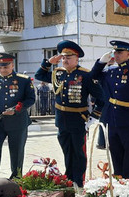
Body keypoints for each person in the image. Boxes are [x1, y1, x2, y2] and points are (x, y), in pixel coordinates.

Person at [35, 40, 104, 186]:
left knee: (78, 153)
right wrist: (48, 62)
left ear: (77, 58)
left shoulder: (85, 75)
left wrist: (94, 116)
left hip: (78, 120)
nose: (65, 60)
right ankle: (69, 179)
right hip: (62, 120)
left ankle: (78, 182)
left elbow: (102, 98)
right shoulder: (58, 73)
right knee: (67, 151)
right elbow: (39, 75)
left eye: (69, 57)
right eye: (63, 57)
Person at [91, 40, 129, 184]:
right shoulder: (110, 71)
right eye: (115, 52)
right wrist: (101, 62)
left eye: (120, 52)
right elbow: (92, 75)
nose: (116, 55)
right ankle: (118, 181)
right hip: (113, 118)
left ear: (128, 54)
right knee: (115, 152)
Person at [0, 53, 36, 181]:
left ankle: (16, 179)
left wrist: (16, 109)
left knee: (16, 152)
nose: (3, 70)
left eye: (5, 67)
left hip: (17, 123)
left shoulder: (24, 80)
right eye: (0, 67)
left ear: (12, 65)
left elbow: (30, 99)